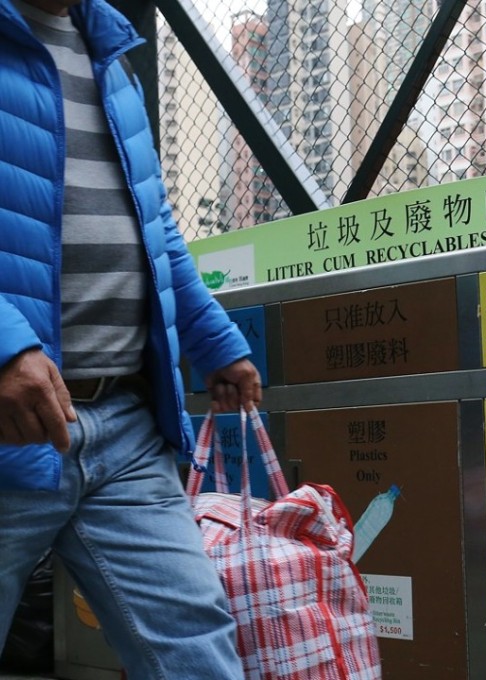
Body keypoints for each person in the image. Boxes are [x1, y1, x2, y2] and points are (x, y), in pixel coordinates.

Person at [0, 0, 260, 677]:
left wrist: (214, 340)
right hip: (10, 425)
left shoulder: (112, 55)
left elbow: (155, 228)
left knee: (196, 645)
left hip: (123, 427)